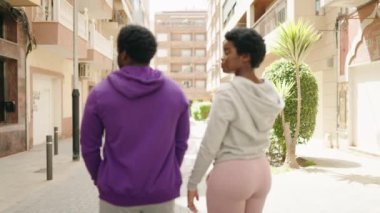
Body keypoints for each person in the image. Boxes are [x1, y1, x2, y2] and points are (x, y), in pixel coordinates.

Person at [81, 25, 190, 213]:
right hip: (161, 194)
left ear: (123, 54)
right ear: (150, 54)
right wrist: (166, 174)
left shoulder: (100, 93)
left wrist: (100, 178)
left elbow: (89, 146)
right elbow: (180, 144)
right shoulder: (176, 94)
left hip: (116, 194)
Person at [187, 27, 284, 213]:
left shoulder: (227, 94)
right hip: (262, 173)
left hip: (232, 174)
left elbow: (210, 145)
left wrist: (193, 182)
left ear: (245, 57)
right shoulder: (270, 93)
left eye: (227, 51)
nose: (222, 58)